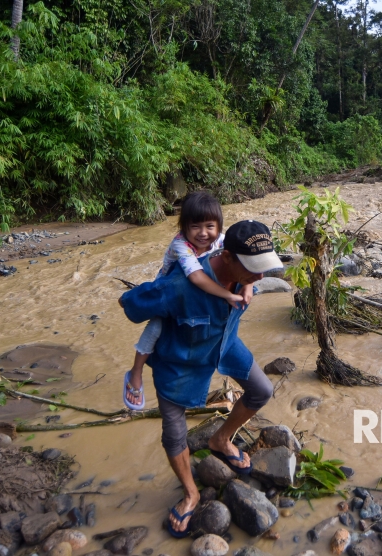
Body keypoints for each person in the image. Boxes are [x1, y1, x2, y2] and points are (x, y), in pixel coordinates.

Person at [118, 219, 282, 537]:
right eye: (253, 269)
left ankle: (220, 440)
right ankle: (191, 492)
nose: (261, 276)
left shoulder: (244, 275)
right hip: (179, 363)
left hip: (225, 344)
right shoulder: (179, 286)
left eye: (263, 267)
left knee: (262, 390)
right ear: (228, 257)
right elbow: (132, 304)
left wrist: (248, 283)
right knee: (174, 433)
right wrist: (139, 299)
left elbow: (253, 278)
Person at [123, 192, 253, 410]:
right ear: (184, 227)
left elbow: (244, 260)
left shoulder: (221, 240)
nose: (203, 233)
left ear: (219, 226)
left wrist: (248, 284)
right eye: (195, 227)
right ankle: (135, 372)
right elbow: (196, 277)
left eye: (210, 226)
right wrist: (228, 294)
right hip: (169, 290)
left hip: (200, 289)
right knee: (155, 327)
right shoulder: (180, 244)